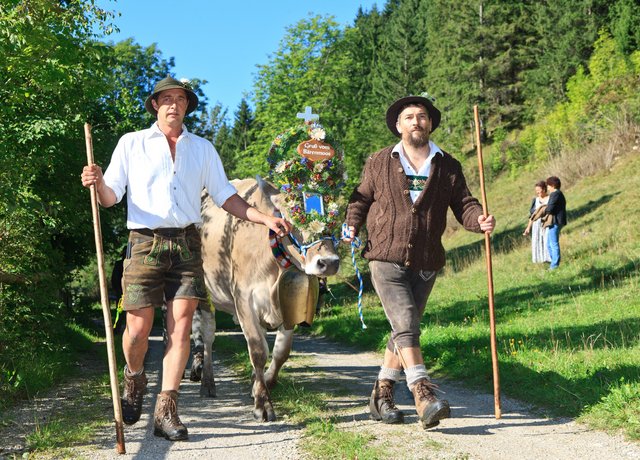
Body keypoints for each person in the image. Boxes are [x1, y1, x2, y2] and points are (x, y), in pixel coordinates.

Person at [80, 76, 292, 441]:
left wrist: (264, 217)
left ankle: (167, 408)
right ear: (155, 105)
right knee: (138, 328)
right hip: (144, 242)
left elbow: (227, 196)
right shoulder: (132, 144)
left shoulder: (202, 149)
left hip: (186, 244)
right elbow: (111, 197)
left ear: (187, 106)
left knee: (180, 327)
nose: (173, 105)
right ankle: (134, 378)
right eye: (166, 99)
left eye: (180, 99)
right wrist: (96, 182)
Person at [343, 94, 495, 430]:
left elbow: (465, 204)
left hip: (426, 260)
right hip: (385, 255)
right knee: (407, 322)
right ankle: (422, 393)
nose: (416, 121)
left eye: (422, 116)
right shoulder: (379, 161)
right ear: (398, 126)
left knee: (402, 330)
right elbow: (361, 198)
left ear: (430, 123)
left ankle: (381, 395)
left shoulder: (447, 165)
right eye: (409, 117)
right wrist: (352, 223)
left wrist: (479, 221)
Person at [523, 180, 551, 264]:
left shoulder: (550, 199)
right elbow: (532, 216)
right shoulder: (535, 200)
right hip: (536, 225)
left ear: (544, 189)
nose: (537, 192)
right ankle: (538, 260)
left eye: (539, 190)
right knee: (537, 240)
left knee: (546, 240)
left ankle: (548, 258)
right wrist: (528, 228)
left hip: (546, 223)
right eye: (536, 191)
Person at [543, 176, 567, 270]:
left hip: (556, 221)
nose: (547, 188)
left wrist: (542, 211)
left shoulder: (555, 194)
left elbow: (550, 208)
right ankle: (554, 263)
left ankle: (554, 265)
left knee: (553, 243)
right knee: (549, 244)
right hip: (556, 221)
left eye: (548, 185)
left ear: (553, 185)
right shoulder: (558, 194)